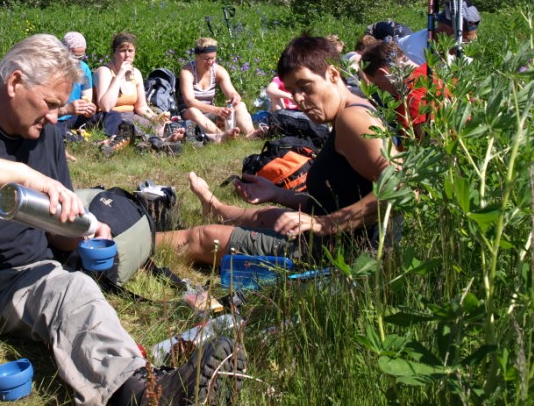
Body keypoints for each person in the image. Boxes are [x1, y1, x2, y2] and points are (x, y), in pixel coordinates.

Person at [0, 34, 245, 406]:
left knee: (80, 296)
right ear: (14, 83)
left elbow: (58, 239)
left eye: (59, 107)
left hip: (28, 274)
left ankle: (143, 393)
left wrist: (80, 229)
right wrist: (23, 175)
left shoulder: (45, 135)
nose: (54, 117)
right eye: (49, 104)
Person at [157, 35, 399, 266]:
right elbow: (336, 201)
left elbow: (401, 186)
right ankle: (216, 209)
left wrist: (326, 224)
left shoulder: (352, 119)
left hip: (341, 252)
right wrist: (276, 193)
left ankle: (135, 242)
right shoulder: (352, 110)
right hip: (338, 236)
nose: (299, 99)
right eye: (293, 91)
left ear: (333, 74)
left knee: (201, 237)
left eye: (305, 86)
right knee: (266, 216)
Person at [93, 32, 184, 156]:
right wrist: (119, 75)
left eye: (130, 51)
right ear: (114, 53)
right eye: (122, 51)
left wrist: (156, 119)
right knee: (132, 129)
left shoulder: (135, 73)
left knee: (165, 127)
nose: (127, 55)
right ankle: (157, 143)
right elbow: (106, 106)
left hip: (131, 116)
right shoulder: (104, 71)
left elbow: (141, 106)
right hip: (112, 119)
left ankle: (163, 141)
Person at [359, 41, 449, 144]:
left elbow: (434, 144)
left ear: (382, 73)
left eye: (378, 85)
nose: (381, 90)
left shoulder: (409, 95)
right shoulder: (433, 71)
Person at [178, 37, 256, 139]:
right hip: (189, 113)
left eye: (213, 58)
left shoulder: (218, 70)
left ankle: (251, 133)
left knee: (241, 105)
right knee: (193, 111)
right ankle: (221, 136)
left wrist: (234, 98)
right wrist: (216, 110)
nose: (210, 62)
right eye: (206, 59)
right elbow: (190, 101)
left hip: (210, 112)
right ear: (197, 57)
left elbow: (231, 92)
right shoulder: (187, 72)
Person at [57, 31, 122, 140]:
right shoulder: (52, 70)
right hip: (56, 118)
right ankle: (79, 140)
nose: (77, 61)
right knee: (53, 129)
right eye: (74, 57)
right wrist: (67, 109)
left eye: (81, 57)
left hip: (75, 117)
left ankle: (108, 139)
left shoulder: (83, 69)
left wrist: (89, 110)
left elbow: (87, 97)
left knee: (113, 115)